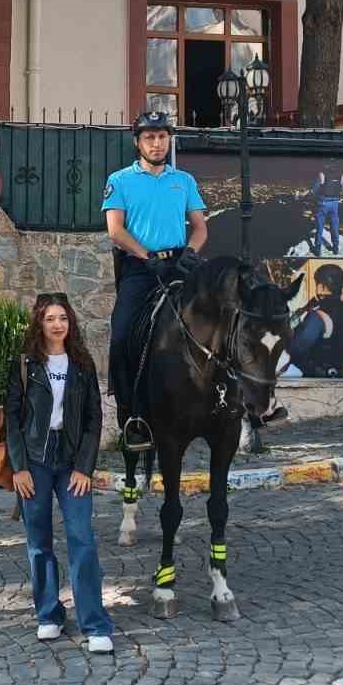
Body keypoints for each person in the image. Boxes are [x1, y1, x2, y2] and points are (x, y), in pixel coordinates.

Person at [5, 293, 115, 654]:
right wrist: (19, 468)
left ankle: (95, 624)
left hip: (70, 464)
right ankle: (49, 615)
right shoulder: (24, 364)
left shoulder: (82, 364)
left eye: (63, 318)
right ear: (39, 322)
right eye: (50, 318)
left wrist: (85, 467)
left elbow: (93, 420)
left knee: (82, 538)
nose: (57, 324)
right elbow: (12, 419)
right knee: (39, 544)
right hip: (34, 462)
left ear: (71, 323)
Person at [102, 112, 209, 451]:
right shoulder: (119, 180)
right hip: (140, 267)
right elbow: (115, 230)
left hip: (180, 264)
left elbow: (200, 227)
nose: (157, 143)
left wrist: (191, 252)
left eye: (162, 137)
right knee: (121, 334)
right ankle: (130, 415)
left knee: (224, 317)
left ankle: (246, 406)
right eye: (149, 137)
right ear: (137, 142)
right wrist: (146, 256)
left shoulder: (185, 180)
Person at [284, 263, 343, 377]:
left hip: (312, 375)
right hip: (336, 373)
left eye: (318, 284)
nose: (317, 288)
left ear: (322, 286)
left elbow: (296, 349)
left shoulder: (318, 315)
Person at [312, 162, 343, 255]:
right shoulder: (340, 175)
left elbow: (315, 189)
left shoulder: (322, 174)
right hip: (335, 203)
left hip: (323, 203)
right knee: (334, 225)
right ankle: (335, 248)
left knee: (320, 226)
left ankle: (317, 249)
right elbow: (341, 188)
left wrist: (315, 197)